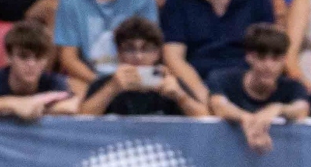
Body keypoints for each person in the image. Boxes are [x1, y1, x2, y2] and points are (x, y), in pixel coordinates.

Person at [207, 22, 311, 151]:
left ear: (284, 60)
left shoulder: (293, 87)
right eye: (261, 58)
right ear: (249, 57)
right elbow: (219, 106)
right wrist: (248, 119)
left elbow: (301, 109)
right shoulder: (223, 79)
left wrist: (277, 109)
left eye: (275, 58)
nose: (268, 65)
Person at [78, 15, 212, 114]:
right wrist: (112, 89)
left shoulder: (171, 84)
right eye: (129, 49)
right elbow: (80, 120)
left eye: (146, 49)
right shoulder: (105, 84)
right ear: (119, 53)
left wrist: (180, 97)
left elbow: (206, 121)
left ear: (158, 54)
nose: (138, 56)